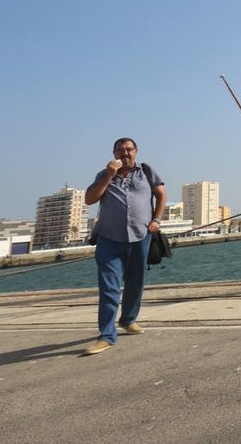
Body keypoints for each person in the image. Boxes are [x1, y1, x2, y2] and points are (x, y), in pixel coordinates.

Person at [82, 137, 166, 356]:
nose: (125, 154)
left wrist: (156, 219)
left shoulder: (146, 172)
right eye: (120, 150)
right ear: (114, 153)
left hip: (140, 236)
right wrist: (109, 175)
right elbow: (90, 199)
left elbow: (161, 194)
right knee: (109, 287)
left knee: (135, 283)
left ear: (136, 151)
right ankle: (107, 336)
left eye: (129, 150)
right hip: (109, 239)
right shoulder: (104, 175)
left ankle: (128, 320)